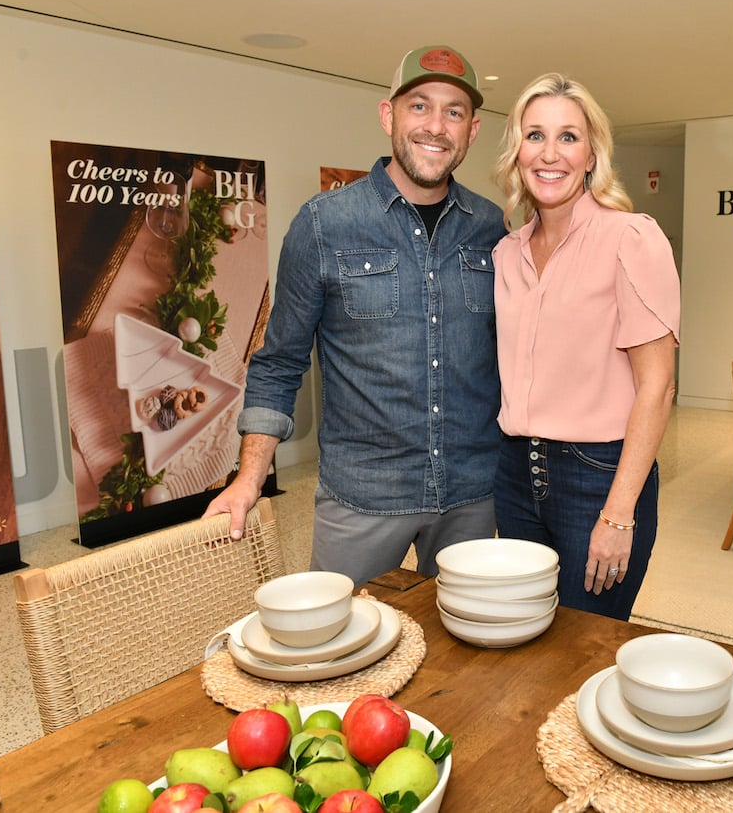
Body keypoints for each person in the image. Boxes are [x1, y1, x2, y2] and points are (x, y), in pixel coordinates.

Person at [204, 45, 506, 586]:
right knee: (343, 653)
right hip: (364, 495)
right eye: (419, 106)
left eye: (454, 112)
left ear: (473, 131)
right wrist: (249, 478)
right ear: (388, 114)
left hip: (473, 495)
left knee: (471, 651)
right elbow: (278, 364)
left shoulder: (492, 229)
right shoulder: (324, 225)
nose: (436, 126)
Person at [490, 73, 680, 620]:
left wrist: (619, 513)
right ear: (517, 151)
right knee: (523, 639)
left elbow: (657, 386)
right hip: (515, 473)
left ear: (592, 153)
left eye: (568, 137)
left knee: (583, 654)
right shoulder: (507, 252)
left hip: (598, 477)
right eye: (535, 136)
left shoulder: (631, 239)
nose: (551, 154)